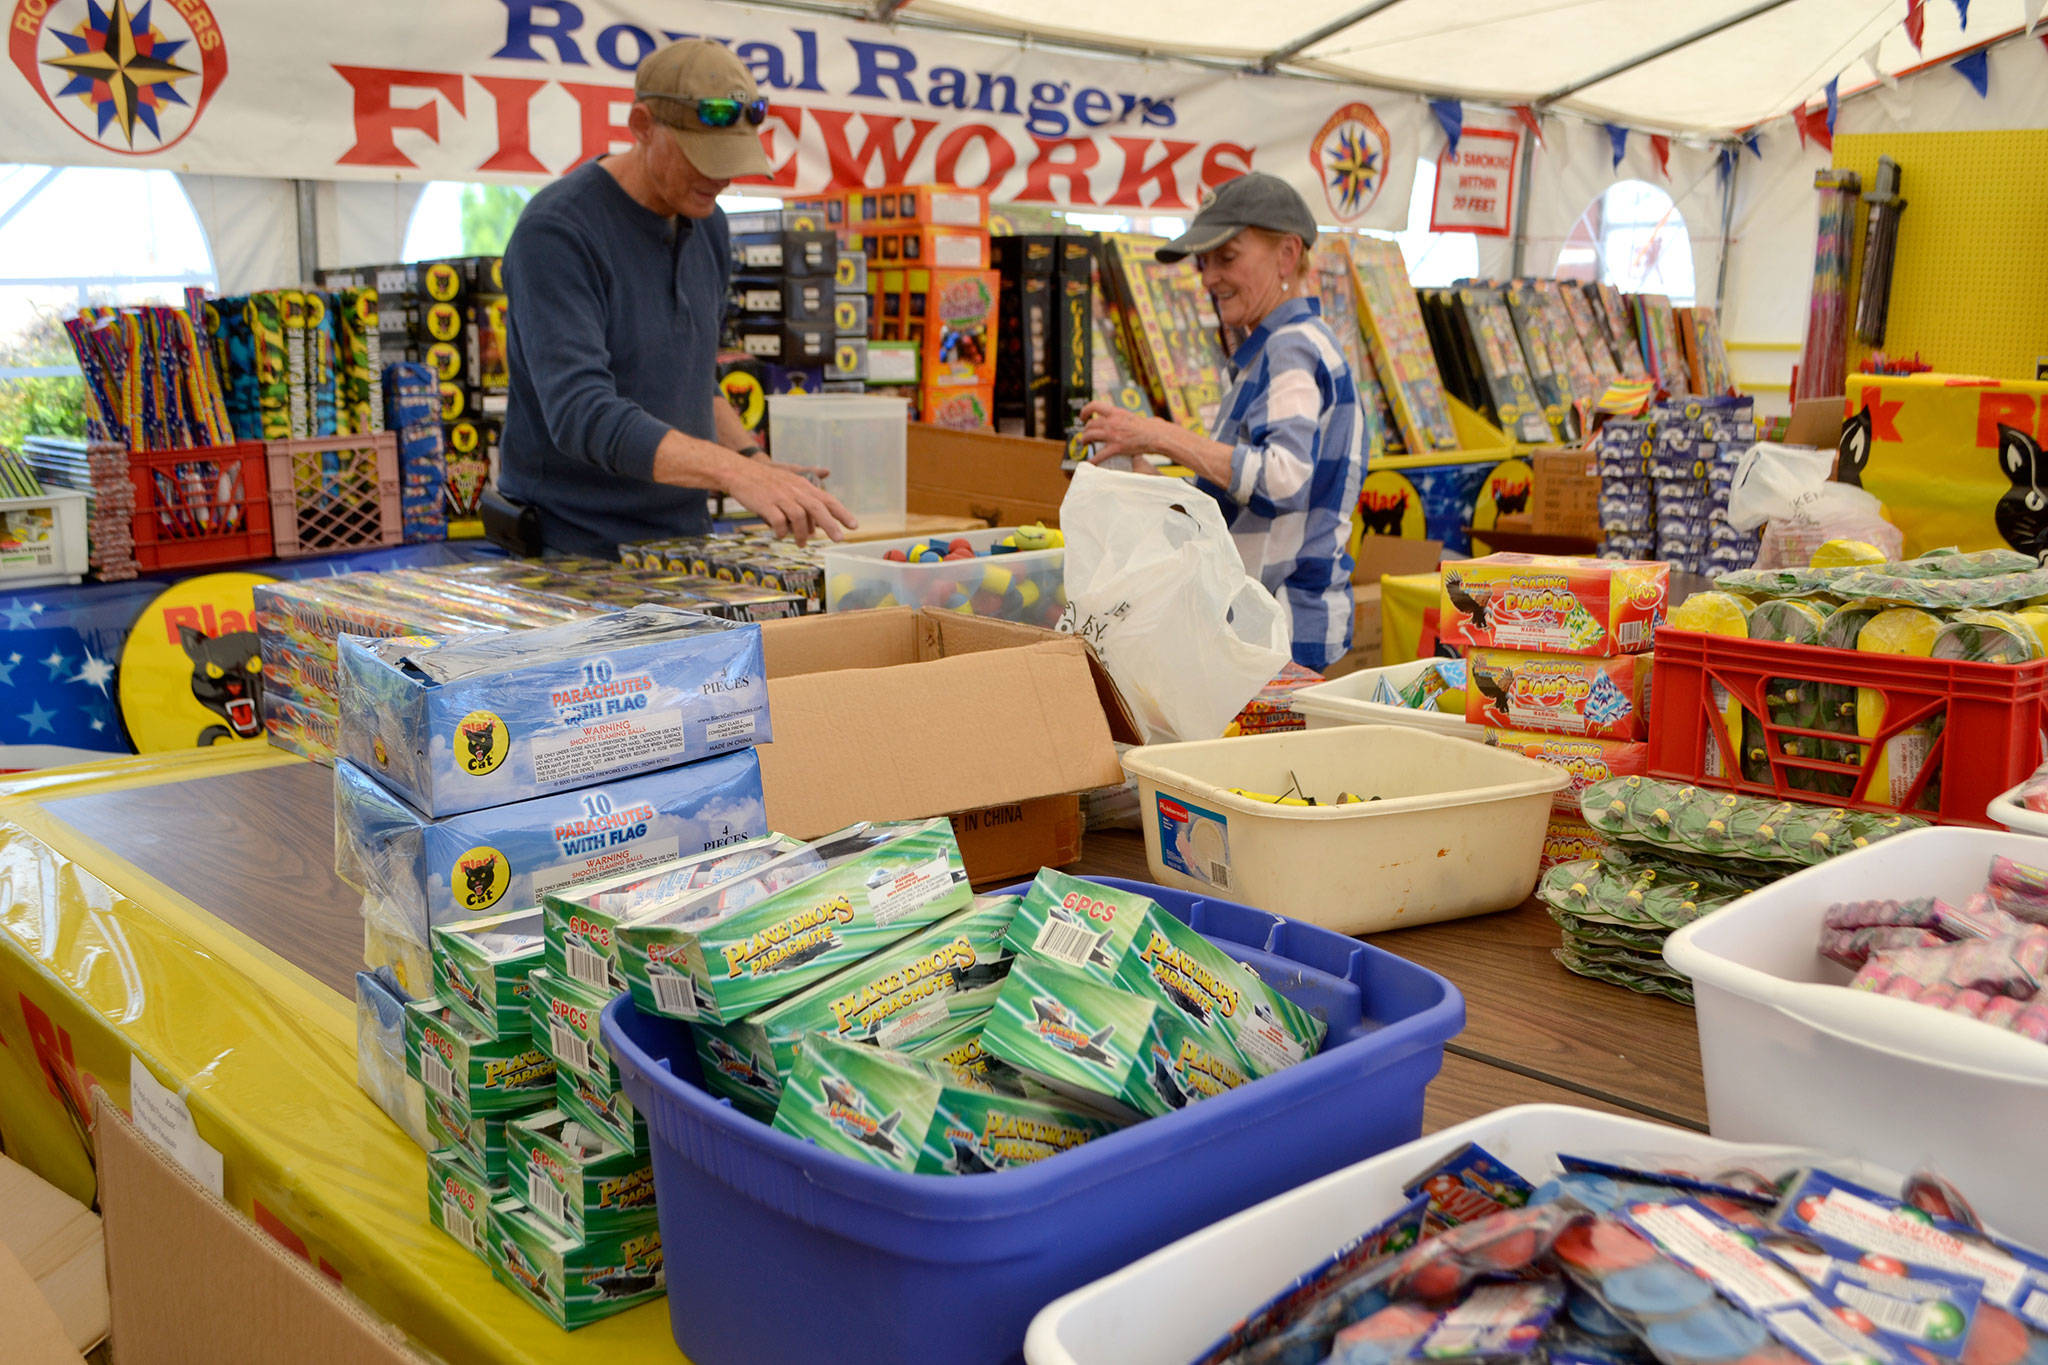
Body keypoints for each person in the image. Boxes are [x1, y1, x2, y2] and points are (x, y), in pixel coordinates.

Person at [498, 38, 854, 557]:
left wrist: (751, 459)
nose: (720, 177)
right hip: (570, 547)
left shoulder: (707, 224)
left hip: (682, 538)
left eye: (731, 158)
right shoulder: (557, 233)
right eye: (702, 156)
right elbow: (580, 412)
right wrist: (731, 472)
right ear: (641, 125)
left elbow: (693, 377)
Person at [1076, 174, 1365, 672]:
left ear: (1287, 255)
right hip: (1269, 630)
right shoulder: (1281, 348)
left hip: (1279, 633)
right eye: (1205, 262)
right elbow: (1236, 509)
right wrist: (1138, 472)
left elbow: (1282, 479)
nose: (1209, 278)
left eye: (1227, 258)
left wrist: (1157, 434)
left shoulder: (1290, 347)